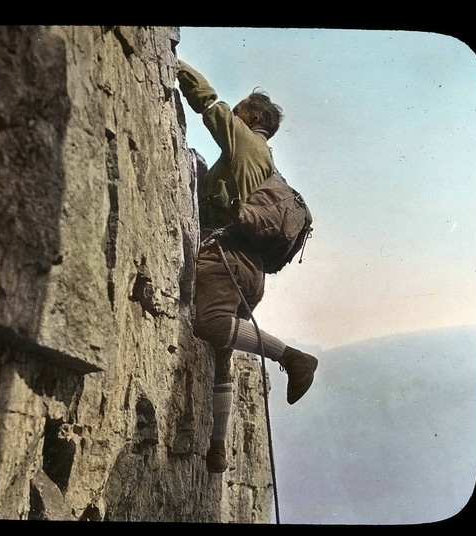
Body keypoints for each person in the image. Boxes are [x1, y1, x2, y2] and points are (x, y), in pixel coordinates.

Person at [176, 60, 318, 473]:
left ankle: (293, 357)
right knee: (223, 353)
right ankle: (217, 447)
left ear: (252, 117)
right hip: (251, 270)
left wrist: (176, 64)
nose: (233, 114)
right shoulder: (268, 164)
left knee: (212, 326)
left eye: (239, 110)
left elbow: (208, 104)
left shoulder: (245, 142)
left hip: (226, 258)